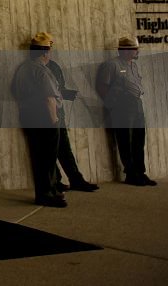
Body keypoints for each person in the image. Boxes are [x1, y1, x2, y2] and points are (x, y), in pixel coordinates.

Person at [10, 33, 65, 207]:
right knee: (47, 158)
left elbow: (14, 90)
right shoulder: (40, 70)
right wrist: (54, 120)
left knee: (38, 157)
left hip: (28, 116)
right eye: (49, 50)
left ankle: (46, 191)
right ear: (45, 52)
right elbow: (49, 98)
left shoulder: (23, 69)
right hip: (45, 118)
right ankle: (47, 193)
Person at [97, 36, 156, 186]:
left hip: (136, 104)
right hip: (122, 107)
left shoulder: (133, 66)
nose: (137, 52)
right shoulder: (111, 65)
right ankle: (130, 174)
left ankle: (140, 172)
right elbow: (103, 87)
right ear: (125, 50)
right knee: (125, 140)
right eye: (134, 49)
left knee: (138, 139)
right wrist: (113, 105)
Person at [46, 55, 99, 192]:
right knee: (48, 151)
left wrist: (66, 94)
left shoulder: (53, 66)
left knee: (63, 148)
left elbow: (58, 88)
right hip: (46, 115)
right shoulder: (36, 69)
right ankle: (56, 181)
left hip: (58, 112)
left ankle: (74, 179)